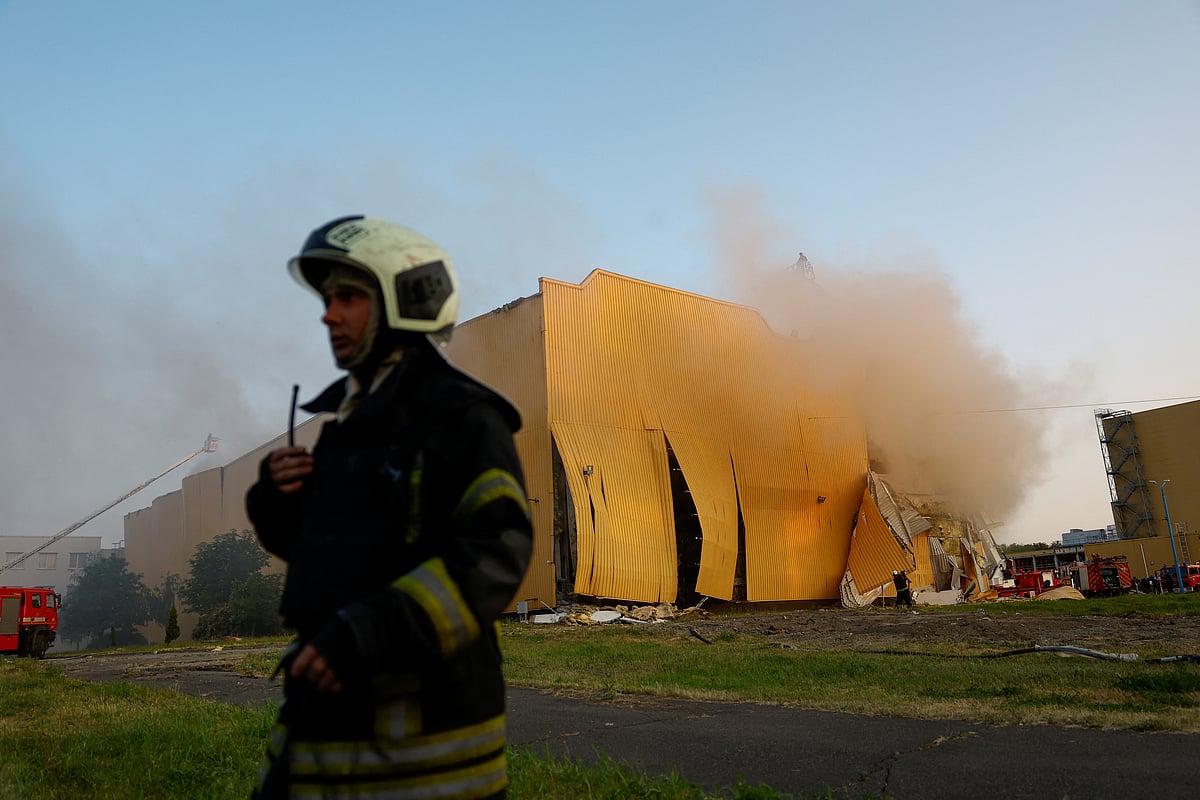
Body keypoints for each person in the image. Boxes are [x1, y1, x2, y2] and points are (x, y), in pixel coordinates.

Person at [245, 215, 533, 800]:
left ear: (406, 301)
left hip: (421, 758)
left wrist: (367, 635)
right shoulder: (349, 421)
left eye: (348, 297)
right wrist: (273, 498)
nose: (328, 315)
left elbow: (497, 550)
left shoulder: (465, 419)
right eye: (327, 300)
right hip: (320, 735)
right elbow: (323, 551)